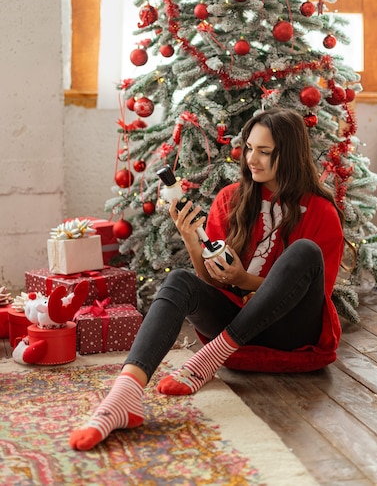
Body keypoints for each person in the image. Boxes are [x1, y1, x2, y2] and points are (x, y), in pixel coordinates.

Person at [69, 107, 345, 451]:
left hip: (291, 332)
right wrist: (189, 236)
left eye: (264, 152)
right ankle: (123, 396)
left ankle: (209, 359)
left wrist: (244, 280)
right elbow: (211, 280)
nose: (251, 159)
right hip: (235, 326)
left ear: (288, 155)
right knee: (180, 280)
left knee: (304, 251)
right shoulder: (231, 197)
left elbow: (316, 295)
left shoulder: (320, 210)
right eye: (248, 148)